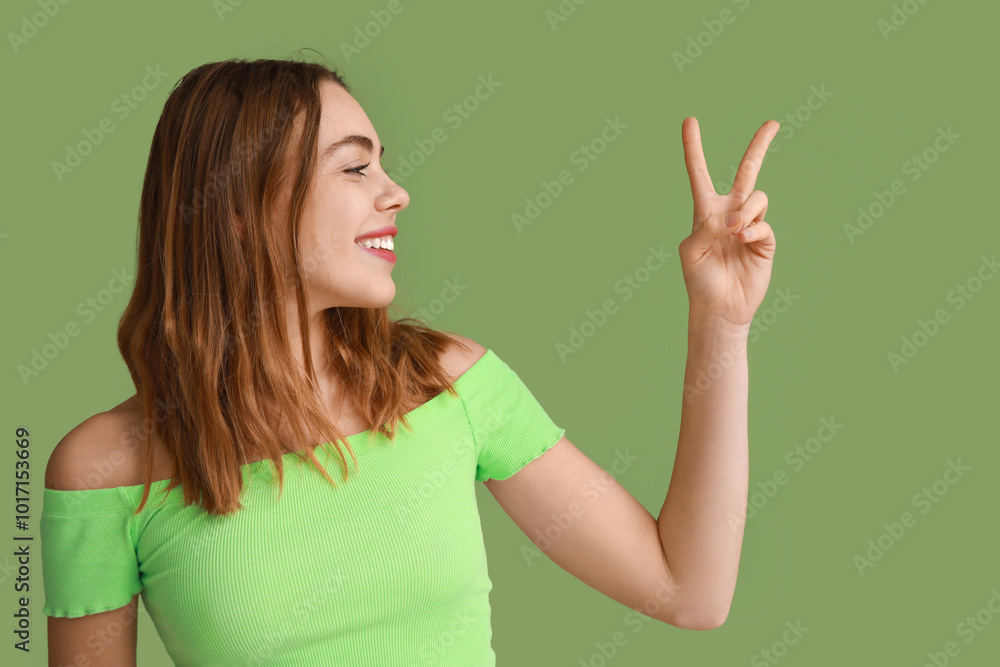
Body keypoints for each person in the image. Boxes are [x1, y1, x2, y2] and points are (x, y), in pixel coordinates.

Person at [41, 56, 779, 666]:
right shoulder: (104, 472)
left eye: (382, 166)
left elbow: (690, 590)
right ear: (239, 208)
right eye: (354, 169)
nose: (396, 193)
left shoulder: (449, 385)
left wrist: (720, 324)